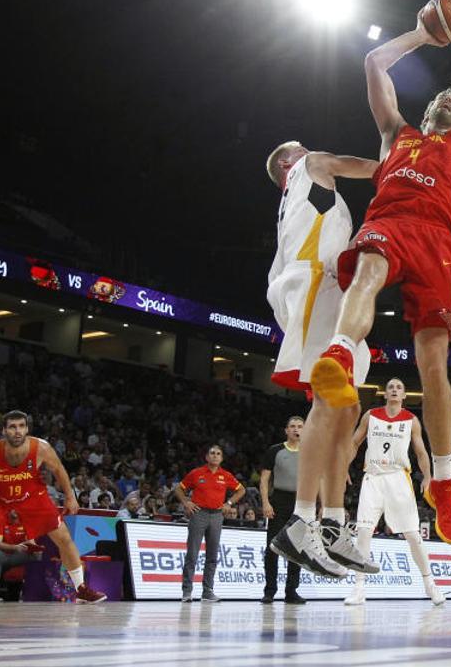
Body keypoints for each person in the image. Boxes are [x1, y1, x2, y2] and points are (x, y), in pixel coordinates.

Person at [303, 0, 451, 551]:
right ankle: (340, 352)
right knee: (365, 273)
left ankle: (446, 480)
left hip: (438, 240)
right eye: (445, 97)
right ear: (431, 107)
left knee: (433, 365)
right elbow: (373, 64)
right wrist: (421, 34)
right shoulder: (395, 136)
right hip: (390, 220)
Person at [261, 140, 380, 579]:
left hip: (324, 289)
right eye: (300, 147)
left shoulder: (298, 195)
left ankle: (332, 522)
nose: (309, 148)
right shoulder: (309, 166)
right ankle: (301, 519)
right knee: (329, 405)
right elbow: (360, 163)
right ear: (289, 162)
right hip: (315, 282)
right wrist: (404, 165)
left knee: (346, 407)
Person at [0, 410, 106, 605]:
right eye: (12, 427)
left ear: (27, 428)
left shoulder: (41, 447)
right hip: (0, 497)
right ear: (4, 430)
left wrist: (70, 497)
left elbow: (59, 469)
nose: (17, 431)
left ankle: (81, 589)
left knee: (63, 537)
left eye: (21, 426)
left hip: (32, 496)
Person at [345, 378, 444, 606]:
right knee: (363, 532)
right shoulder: (371, 415)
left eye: (399, 387)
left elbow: (420, 453)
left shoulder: (411, 420)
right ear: (385, 393)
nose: (394, 390)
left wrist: (428, 477)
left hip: (398, 478)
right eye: (390, 387)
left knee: (412, 535)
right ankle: (359, 587)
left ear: (404, 396)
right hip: (372, 477)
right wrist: (343, 469)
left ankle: (430, 584)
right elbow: (354, 443)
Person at [175, 444, 246, 602]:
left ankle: (207, 591)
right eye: (212, 453)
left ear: (221, 458)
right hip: (199, 513)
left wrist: (229, 503)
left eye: (218, 454)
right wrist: (186, 502)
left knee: (212, 555)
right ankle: (187, 591)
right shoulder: (197, 473)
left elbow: (241, 490)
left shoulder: (225, 475)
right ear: (207, 457)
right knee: (192, 554)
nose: (215, 456)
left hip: (217, 515)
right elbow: (179, 489)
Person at [259, 417, 306, 603]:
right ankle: (269, 591)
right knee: (273, 547)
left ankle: (291, 592)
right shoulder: (275, 451)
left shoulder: (310, 451)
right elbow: (264, 479)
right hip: (278, 500)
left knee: (297, 549)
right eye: (293, 426)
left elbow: (317, 480)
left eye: (300, 427)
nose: (296, 430)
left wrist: (318, 506)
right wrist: (265, 503)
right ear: (286, 430)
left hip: (301, 502)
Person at [0, 509, 41, 602]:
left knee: (38, 557)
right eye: (13, 507)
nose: (16, 510)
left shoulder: (26, 521)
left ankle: (39, 592)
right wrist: (15, 547)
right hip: (4, 553)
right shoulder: (0, 520)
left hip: (20, 554)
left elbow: (31, 541)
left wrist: (32, 545)